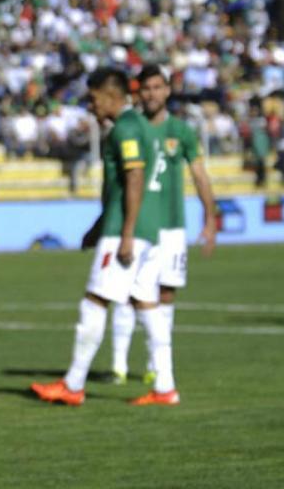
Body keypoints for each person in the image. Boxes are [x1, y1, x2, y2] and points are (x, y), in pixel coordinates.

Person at [30, 67, 179, 407]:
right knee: (147, 305)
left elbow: (135, 177)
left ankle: (73, 384)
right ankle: (165, 387)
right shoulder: (143, 127)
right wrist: (98, 227)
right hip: (148, 229)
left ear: (111, 96)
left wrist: (123, 234)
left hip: (127, 232)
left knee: (95, 300)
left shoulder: (125, 128)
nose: (91, 106)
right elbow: (123, 186)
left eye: (94, 99)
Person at [110, 65, 217, 385]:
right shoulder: (131, 127)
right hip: (140, 222)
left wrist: (210, 219)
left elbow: (199, 174)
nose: (152, 93)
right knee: (126, 291)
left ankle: (156, 363)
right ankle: (117, 363)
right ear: (137, 93)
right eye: (146, 88)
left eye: (158, 87)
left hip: (171, 226)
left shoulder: (182, 131)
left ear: (167, 90)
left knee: (166, 293)